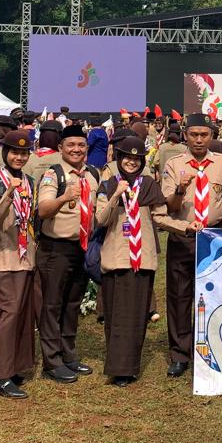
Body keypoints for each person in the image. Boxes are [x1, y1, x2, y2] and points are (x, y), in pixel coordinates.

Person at [158, 113, 222, 377]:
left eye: (204, 135)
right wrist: (180, 189)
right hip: (184, 236)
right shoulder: (173, 163)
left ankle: (211, 348)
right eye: (194, 135)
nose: (199, 140)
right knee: (180, 297)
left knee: (213, 296)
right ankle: (180, 354)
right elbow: (170, 207)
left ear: (211, 135)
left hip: (213, 238)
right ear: (185, 136)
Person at [95, 135, 168, 386]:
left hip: (142, 258)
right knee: (115, 314)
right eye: (127, 157)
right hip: (116, 257)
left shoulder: (149, 185)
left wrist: (187, 227)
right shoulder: (107, 184)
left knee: (136, 315)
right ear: (119, 159)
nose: (132, 162)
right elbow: (101, 219)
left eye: (137, 159)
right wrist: (116, 195)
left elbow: (161, 218)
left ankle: (129, 368)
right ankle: (116, 365)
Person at [35, 123, 96, 383]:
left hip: (81, 247)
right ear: (60, 148)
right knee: (52, 305)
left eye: (81, 145)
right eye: (71, 145)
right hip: (55, 249)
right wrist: (64, 197)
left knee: (73, 304)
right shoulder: (54, 174)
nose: (76, 149)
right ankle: (52, 361)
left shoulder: (93, 174)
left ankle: (69, 354)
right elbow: (43, 209)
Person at [0, 129, 38, 399]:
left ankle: (16, 366)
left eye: (24, 153)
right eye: (14, 152)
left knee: (23, 313)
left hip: (24, 256)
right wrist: (8, 195)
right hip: (1, 258)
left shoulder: (29, 181)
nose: (19, 157)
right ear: (5, 153)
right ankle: (0, 376)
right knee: (8, 314)